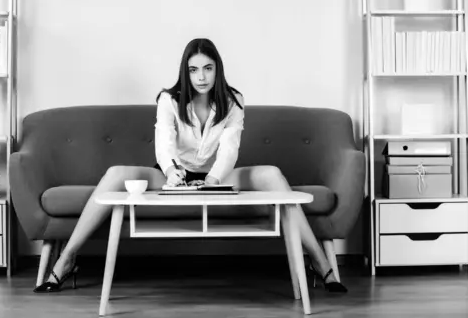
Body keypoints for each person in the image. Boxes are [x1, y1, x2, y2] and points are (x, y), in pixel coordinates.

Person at [34, 38, 347, 294]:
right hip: (172, 175)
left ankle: (321, 266)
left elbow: (229, 148)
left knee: (273, 175)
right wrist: (172, 173)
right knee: (116, 174)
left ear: (217, 70)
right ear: (186, 71)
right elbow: (164, 143)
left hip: (218, 176)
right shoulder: (168, 100)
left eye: (208, 69)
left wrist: (212, 179)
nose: (201, 77)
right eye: (195, 69)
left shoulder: (234, 101)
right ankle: (66, 260)